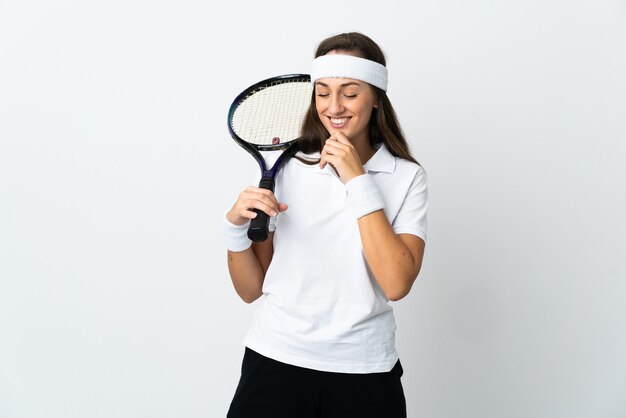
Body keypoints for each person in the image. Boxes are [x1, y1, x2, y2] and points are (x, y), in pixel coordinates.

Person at [223, 32, 428, 418]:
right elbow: (251, 289)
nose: (334, 106)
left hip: (364, 372)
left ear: (376, 99)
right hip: (274, 363)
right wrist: (232, 229)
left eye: (350, 93)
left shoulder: (406, 177)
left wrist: (357, 179)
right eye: (323, 92)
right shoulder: (289, 167)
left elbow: (397, 282)